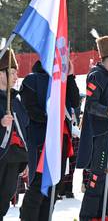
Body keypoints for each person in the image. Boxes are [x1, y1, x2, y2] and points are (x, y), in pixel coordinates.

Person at [20, 58, 79, 221]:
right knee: (38, 187)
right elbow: (29, 109)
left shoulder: (62, 79)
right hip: (42, 141)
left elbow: (74, 101)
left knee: (54, 189)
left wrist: (71, 76)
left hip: (61, 141)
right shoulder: (31, 80)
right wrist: (51, 119)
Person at [77, 35, 108, 221]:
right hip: (103, 135)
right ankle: (89, 216)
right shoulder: (96, 75)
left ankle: (102, 215)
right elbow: (90, 104)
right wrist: (106, 110)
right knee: (98, 178)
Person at [0, 49, 29, 220]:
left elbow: (23, 129)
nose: (16, 76)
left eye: (16, 72)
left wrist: (26, 159)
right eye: (11, 72)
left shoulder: (16, 100)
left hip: (15, 157)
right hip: (1, 155)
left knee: (4, 201)